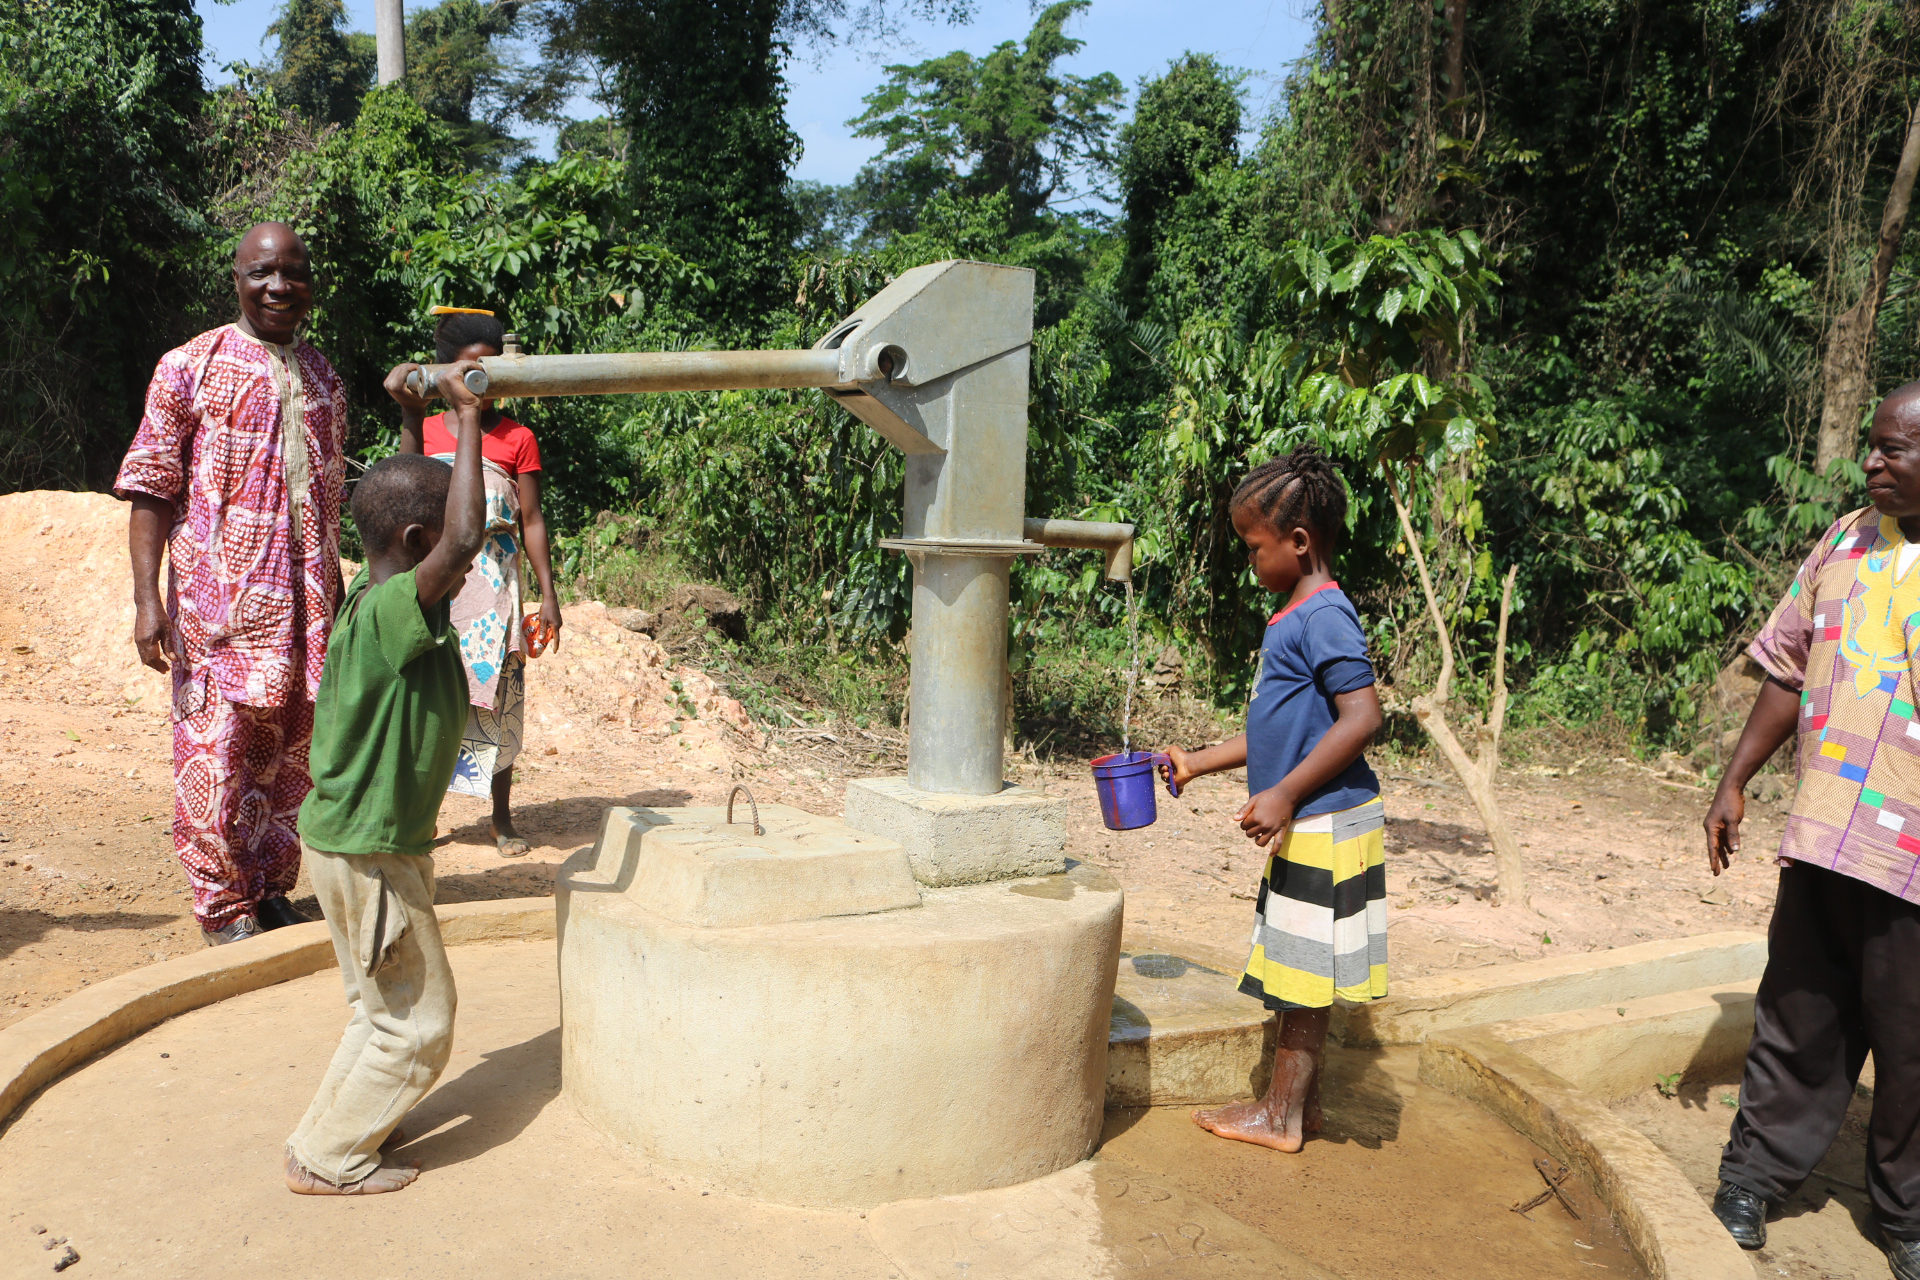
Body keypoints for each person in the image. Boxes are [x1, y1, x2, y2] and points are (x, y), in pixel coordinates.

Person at [1704, 382, 1920, 1278]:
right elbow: (1787, 670)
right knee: (1796, 1011)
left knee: (1912, 1044)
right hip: (1825, 831)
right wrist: (1734, 779)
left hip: (1912, 863)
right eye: (1871, 446)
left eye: (1894, 450)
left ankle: (1905, 1217)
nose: (1872, 462)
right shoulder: (1842, 542)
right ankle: (1753, 1177)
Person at [284, 357, 489, 1195]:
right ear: (418, 549)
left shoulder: (389, 599)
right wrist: (470, 416)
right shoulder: (396, 614)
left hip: (357, 843)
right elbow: (462, 535)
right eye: (442, 546)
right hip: (368, 853)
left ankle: (332, 1133)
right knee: (418, 1024)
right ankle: (331, 1159)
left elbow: (414, 509)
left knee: (381, 1012)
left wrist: (414, 418)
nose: (465, 560)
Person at [115, 222, 346, 944]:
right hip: (220, 613)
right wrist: (147, 600)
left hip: (310, 612)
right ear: (238, 278)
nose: (280, 286)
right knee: (217, 757)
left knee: (290, 762)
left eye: (294, 272)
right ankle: (223, 908)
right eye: (263, 272)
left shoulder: (324, 376)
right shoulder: (189, 366)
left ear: (311, 281)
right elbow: (152, 486)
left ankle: (271, 889)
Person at [1157, 446, 1386, 1153]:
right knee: (1300, 961)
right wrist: (1198, 762)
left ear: (1298, 542)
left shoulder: (1323, 616)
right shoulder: (1296, 614)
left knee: (1299, 972)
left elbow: (1364, 716)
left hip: (1324, 816)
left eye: (1254, 548)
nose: (1250, 562)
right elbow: (1283, 732)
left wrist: (1286, 792)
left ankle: (1280, 1117)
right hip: (1316, 815)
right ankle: (1301, 1108)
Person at [388, 309, 561, 857]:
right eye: (469, 369)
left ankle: (500, 818)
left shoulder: (518, 438)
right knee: (431, 698)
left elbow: (531, 520)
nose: (480, 382)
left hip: (496, 589)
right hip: (438, 585)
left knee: (500, 700)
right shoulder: (427, 428)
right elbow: (404, 489)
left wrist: (549, 594)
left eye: (490, 369)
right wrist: (408, 416)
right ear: (444, 373)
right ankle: (426, 813)